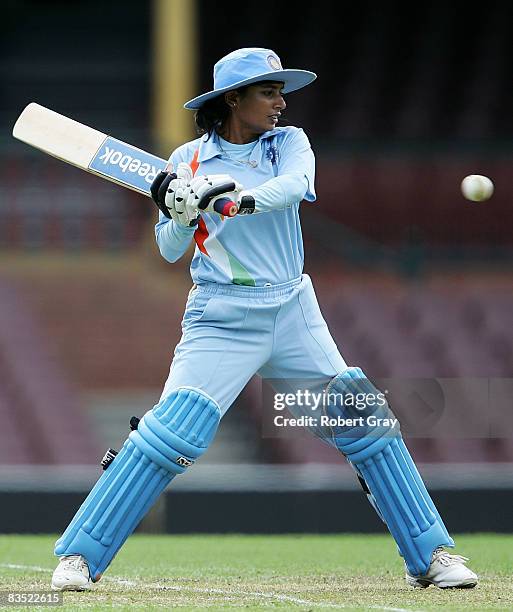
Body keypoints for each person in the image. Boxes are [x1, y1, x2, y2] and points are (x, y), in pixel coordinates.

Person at [51, 47, 477, 592]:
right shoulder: (186, 162)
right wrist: (180, 213)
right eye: (268, 92)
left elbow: (294, 188)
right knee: (169, 434)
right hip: (221, 314)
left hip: (293, 308)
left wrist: (235, 201)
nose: (280, 102)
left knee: (363, 419)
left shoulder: (288, 143)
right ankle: (79, 558)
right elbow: (167, 250)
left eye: (280, 92)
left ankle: (433, 555)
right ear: (232, 98)